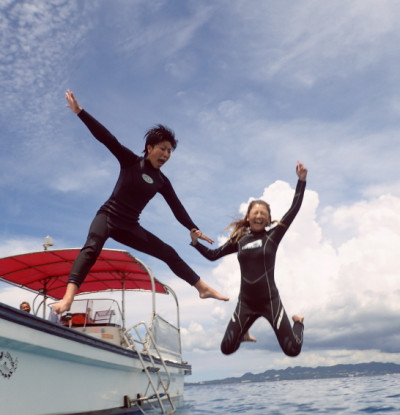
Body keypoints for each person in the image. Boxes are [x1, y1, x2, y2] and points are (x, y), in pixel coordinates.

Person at [53, 90, 228, 314]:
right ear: (150, 148)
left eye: (170, 151)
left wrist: (193, 228)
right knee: (92, 247)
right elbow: (107, 138)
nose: (166, 154)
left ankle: (202, 288)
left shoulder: (162, 181)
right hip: (107, 216)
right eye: (163, 148)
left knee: (168, 252)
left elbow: (177, 208)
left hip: (130, 226)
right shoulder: (130, 161)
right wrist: (80, 112)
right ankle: (68, 299)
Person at [190, 161, 307, 357]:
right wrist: (195, 243)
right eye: (256, 212)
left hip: (270, 301)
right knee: (226, 349)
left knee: (292, 350)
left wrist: (301, 181)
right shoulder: (240, 240)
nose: (259, 215)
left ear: (268, 219)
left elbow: (294, 209)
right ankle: (243, 335)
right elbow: (213, 255)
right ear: (248, 217)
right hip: (246, 303)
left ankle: (298, 323)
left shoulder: (273, 235)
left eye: (263, 213)